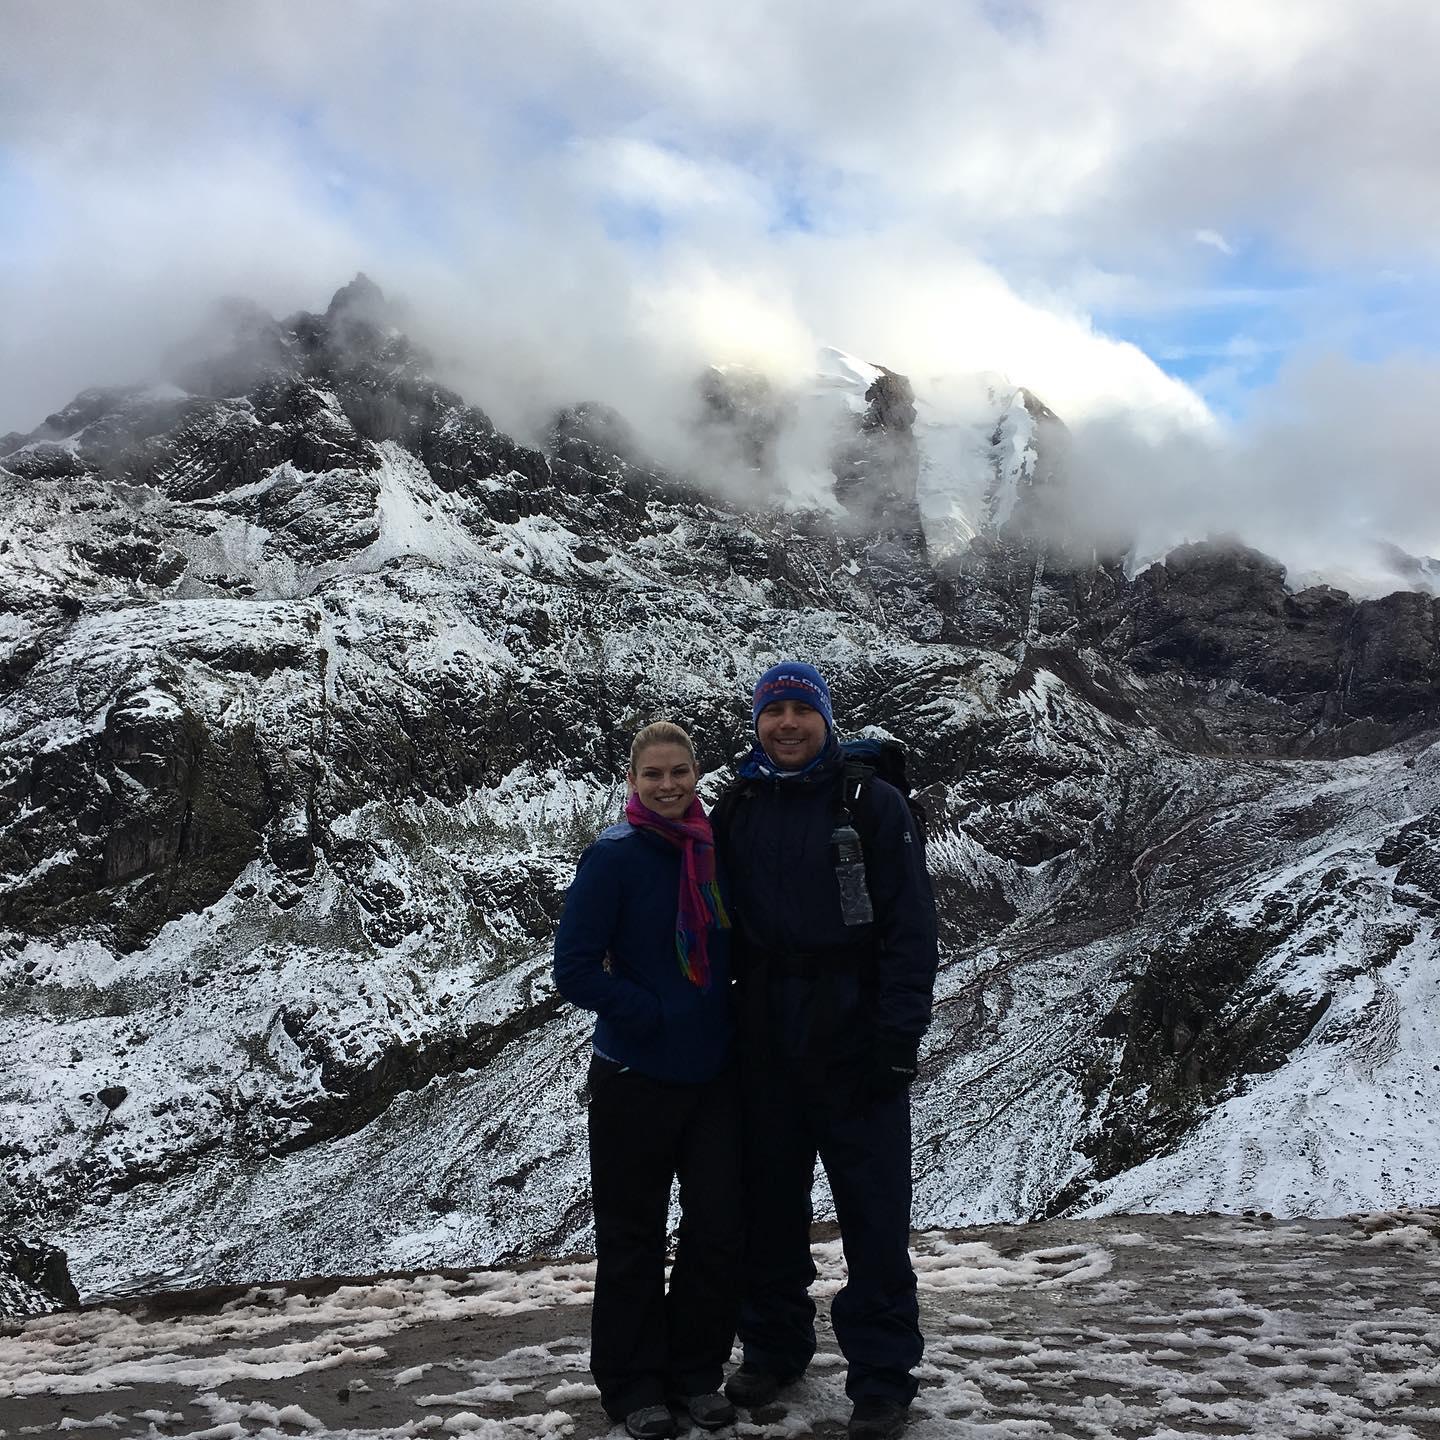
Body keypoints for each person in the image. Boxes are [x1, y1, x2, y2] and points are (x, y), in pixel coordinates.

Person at [710, 662, 939, 1440]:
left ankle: (881, 1376)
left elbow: (911, 928)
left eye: (800, 710)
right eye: (773, 711)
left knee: (874, 1212)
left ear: (825, 720)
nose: (787, 724)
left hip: (855, 1033)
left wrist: (898, 1037)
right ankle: (774, 1346)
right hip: (765, 1036)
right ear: (757, 724)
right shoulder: (739, 805)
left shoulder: (871, 804)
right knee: (768, 1205)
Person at [552, 721, 742, 1440]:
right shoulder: (614, 857)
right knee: (633, 1236)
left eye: (679, 772)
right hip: (635, 1075)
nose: (667, 785)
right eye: (653, 774)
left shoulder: (715, 850)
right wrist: (652, 1013)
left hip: (714, 1075)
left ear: (697, 774)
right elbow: (574, 969)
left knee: (716, 1229)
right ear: (632, 782)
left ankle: (695, 1372)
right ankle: (634, 1385)